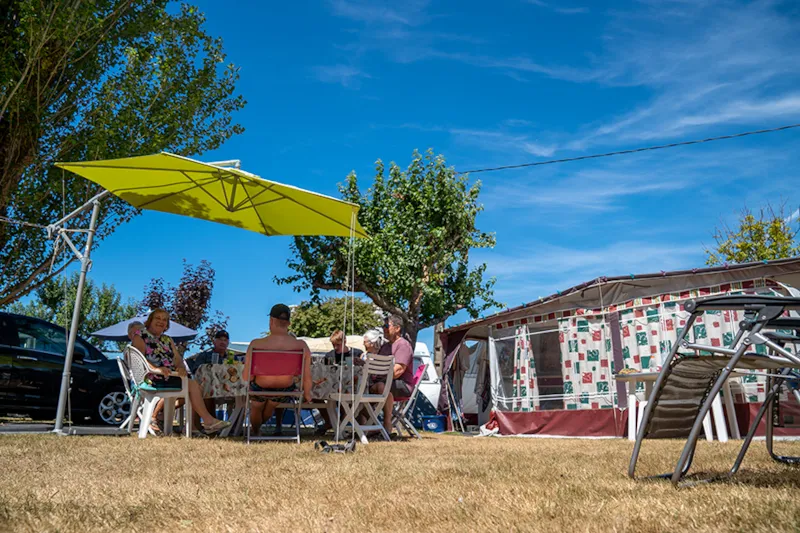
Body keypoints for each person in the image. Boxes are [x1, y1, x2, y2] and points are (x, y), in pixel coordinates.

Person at [130, 309, 230, 435]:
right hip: (151, 378)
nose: (161, 321)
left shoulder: (167, 340)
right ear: (150, 320)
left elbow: (177, 359)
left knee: (195, 385)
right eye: (158, 318)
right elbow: (139, 359)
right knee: (193, 385)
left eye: (164, 319)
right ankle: (206, 421)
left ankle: (201, 423)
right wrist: (156, 369)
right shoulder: (140, 336)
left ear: (167, 325)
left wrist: (181, 367)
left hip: (170, 376)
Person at [244, 304, 312, 437]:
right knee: (271, 404)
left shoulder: (256, 344)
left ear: (271, 321)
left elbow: (247, 376)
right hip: (284, 389)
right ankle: (258, 428)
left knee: (257, 406)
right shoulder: (301, 345)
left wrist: (253, 379)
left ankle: (256, 431)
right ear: (289, 323)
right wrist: (308, 394)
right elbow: (307, 376)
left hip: (260, 387)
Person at [186, 330, 243, 428]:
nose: (222, 342)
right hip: (206, 387)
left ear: (228, 343)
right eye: (220, 339)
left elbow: (238, 373)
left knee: (243, 395)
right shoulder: (204, 355)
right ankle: (207, 424)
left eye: (225, 340)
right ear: (214, 342)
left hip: (228, 388)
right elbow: (196, 371)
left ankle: (235, 427)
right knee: (207, 389)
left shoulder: (232, 357)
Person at [371, 315, 415, 436]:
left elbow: (397, 372)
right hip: (384, 381)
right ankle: (367, 425)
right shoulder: (385, 346)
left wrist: (377, 373)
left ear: (397, 328)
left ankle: (387, 424)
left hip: (402, 384)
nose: (384, 329)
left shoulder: (403, 345)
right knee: (358, 388)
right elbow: (376, 365)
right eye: (383, 326)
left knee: (380, 386)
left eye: (386, 326)